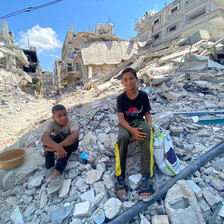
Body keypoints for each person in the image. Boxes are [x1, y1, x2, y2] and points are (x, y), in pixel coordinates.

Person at [114, 67, 154, 200]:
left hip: (139, 121)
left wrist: (149, 123)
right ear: (122, 83)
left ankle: (146, 176)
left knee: (147, 133)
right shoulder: (121, 98)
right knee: (122, 137)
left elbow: (147, 113)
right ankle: (120, 176)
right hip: (126, 123)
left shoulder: (143, 95)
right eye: (125, 80)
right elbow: (121, 118)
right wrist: (132, 131)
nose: (129, 82)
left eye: (131, 78)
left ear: (136, 79)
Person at [41, 104, 79, 193]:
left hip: (71, 145)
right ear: (53, 117)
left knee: (69, 138)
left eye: (65, 114)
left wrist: (57, 148)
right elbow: (44, 138)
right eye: (59, 116)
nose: (63, 118)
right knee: (49, 140)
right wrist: (58, 148)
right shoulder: (51, 124)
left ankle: (58, 170)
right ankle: (49, 166)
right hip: (60, 144)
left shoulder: (71, 122)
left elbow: (75, 136)